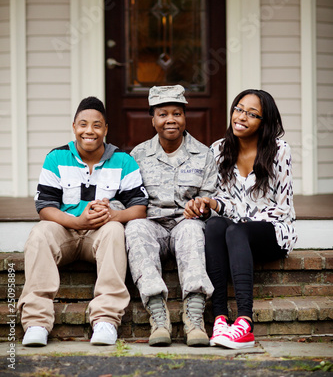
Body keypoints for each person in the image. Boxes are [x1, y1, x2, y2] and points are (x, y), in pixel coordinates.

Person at [18, 96, 148, 347]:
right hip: (64, 231)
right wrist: (77, 222)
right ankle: (36, 322)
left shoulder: (123, 161)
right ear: (74, 126)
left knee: (114, 230)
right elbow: (44, 207)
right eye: (83, 124)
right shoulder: (56, 157)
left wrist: (113, 216)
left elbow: (140, 208)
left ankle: (106, 320)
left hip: (98, 236)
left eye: (97, 125)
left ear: (106, 129)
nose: (90, 131)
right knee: (40, 233)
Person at [184, 89, 297, 349]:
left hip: (275, 230)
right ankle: (221, 318)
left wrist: (239, 219)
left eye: (251, 113)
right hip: (237, 230)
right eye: (238, 108)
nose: (241, 116)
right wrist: (212, 203)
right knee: (213, 225)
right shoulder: (219, 150)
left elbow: (282, 209)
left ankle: (245, 322)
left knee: (235, 231)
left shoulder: (279, 150)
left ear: (264, 122)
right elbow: (225, 202)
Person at [125, 85, 219, 347]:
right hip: (151, 225)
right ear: (152, 119)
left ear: (184, 117)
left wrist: (200, 207)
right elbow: (129, 198)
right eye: (163, 114)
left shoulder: (203, 154)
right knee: (134, 228)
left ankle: (195, 317)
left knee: (191, 229)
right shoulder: (138, 155)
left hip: (185, 226)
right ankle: (158, 316)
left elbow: (211, 198)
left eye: (176, 113)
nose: (170, 120)